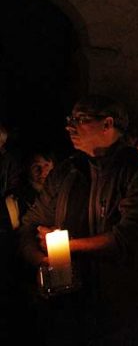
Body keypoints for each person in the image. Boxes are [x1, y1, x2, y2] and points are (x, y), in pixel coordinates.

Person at [18, 95, 138, 345]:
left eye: (80, 119)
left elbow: (131, 236)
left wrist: (66, 245)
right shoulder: (66, 171)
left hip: (117, 306)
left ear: (107, 124)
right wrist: (40, 260)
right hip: (66, 306)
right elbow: (31, 223)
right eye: (70, 119)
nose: (70, 126)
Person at [0, 147, 55, 344]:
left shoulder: (60, 195)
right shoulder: (15, 200)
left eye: (47, 167)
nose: (42, 173)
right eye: (36, 168)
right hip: (25, 272)